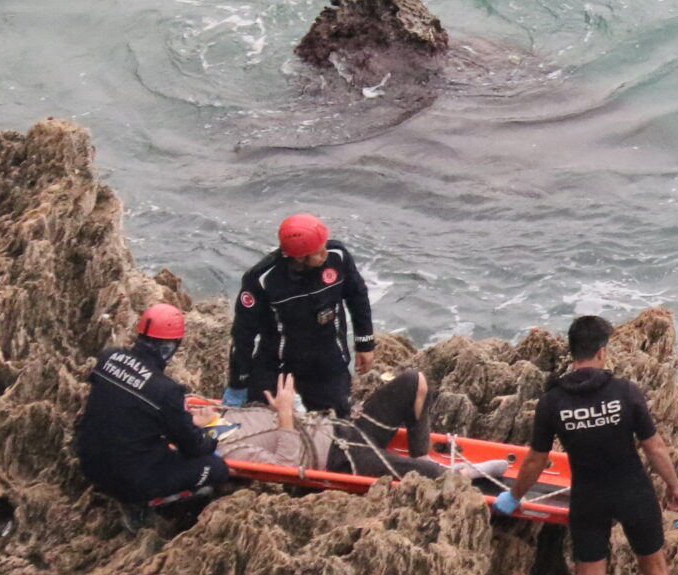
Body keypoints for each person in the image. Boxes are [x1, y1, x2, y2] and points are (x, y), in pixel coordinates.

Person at [496, 316, 678, 575]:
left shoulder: (553, 402)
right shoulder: (625, 392)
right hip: (632, 490)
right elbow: (654, 446)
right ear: (602, 351)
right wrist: (674, 485)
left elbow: (536, 459)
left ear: (572, 352)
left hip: (588, 495)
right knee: (655, 569)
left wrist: (514, 496)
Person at [211, 369, 508, 488]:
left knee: (413, 382)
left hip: (343, 430)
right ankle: (460, 475)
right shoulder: (228, 447)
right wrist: (286, 416)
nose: (198, 410)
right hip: (336, 457)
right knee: (417, 474)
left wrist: (288, 409)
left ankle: (422, 456)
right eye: (194, 415)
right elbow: (284, 468)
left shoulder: (227, 413)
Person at [76, 303, 231, 520]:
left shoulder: (109, 357)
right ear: (171, 347)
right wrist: (210, 428)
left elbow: (124, 406)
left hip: (89, 465)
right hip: (132, 482)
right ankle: (150, 507)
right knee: (216, 468)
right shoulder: (166, 391)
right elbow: (193, 448)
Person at [226, 213, 374, 416]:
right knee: (259, 416)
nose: (325, 253)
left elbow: (358, 296)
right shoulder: (262, 279)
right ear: (299, 257)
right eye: (318, 252)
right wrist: (238, 383)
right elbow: (243, 333)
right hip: (278, 363)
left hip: (327, 360)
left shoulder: (337, 256)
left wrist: (365, 343)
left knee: (338, 419)